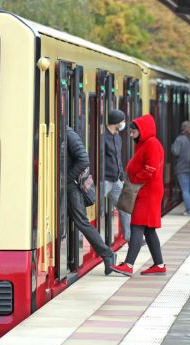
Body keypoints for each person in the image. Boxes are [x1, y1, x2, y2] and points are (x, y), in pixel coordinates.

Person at [109, 115, 166, 276]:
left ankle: (128, 265)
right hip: (145, 191)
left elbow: (151, 170)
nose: (131, 133)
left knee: (137, 225)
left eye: (133, 130)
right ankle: (159, 265)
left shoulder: (152, 145)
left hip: (148, 192)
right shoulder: (144, 144)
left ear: (142, 130)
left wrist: (134, 178)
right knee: (149, 230)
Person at [65, 126, 116, 273]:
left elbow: (84, 160)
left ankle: (108, 254)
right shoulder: (64, 134)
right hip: (66, 187)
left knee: (82, 222)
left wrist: (66, 179)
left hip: (71, 188)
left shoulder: (69, 135)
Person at [103, 110, 131, 251]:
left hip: (115, 179)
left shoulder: (117, 137)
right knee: (94, 207)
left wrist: (122, 176)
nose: (124, 124)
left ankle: (130, 238)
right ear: (117, 123)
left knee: (125, 207)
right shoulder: (103, 137)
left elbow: (118, 159)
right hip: (104, 179)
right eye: (122, 121)